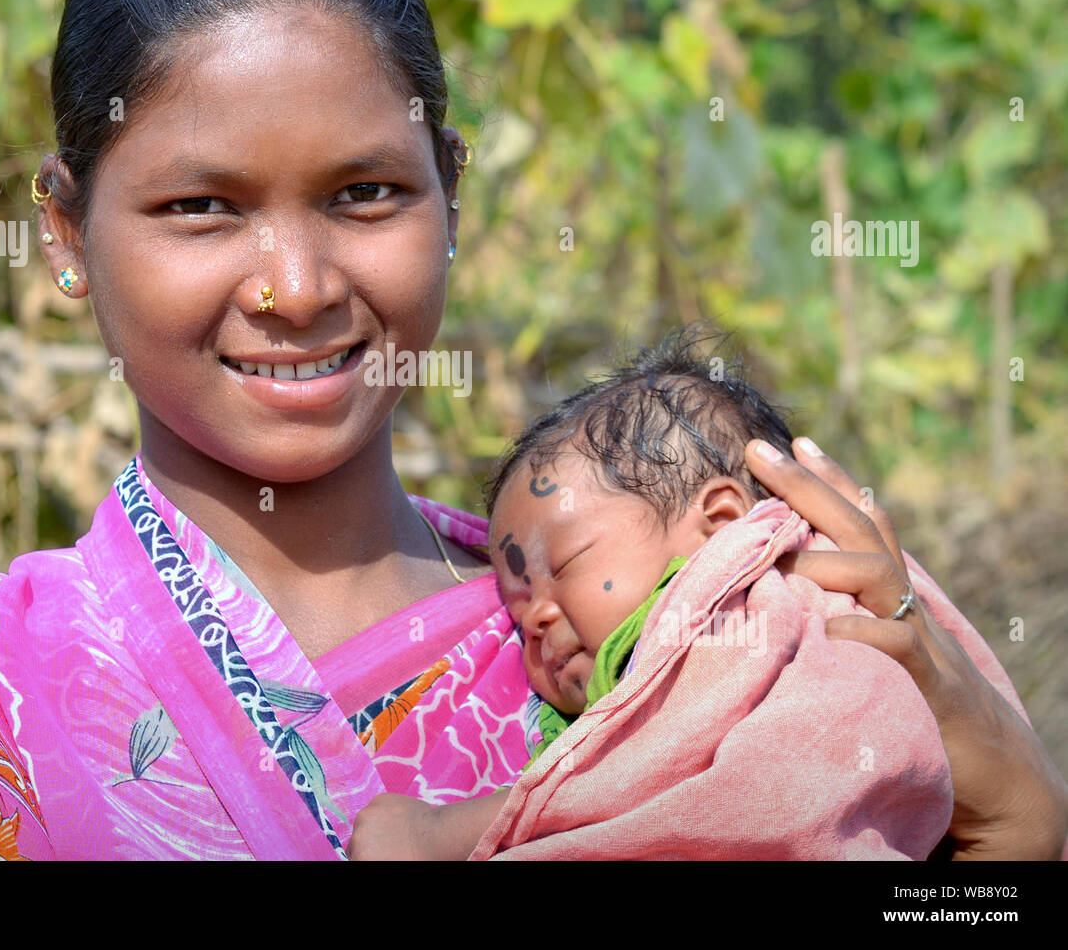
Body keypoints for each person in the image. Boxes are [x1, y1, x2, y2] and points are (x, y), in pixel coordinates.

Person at [0, 0, 1066, 862]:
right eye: (199, 207)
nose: (294, 286)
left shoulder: (647, 635)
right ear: (69, 236)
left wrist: (1008, 828)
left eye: (365, 193)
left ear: (450, 195)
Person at [348, 329, 1021, 859]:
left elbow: (651, 773)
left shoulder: (749, 611)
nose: (538, 620)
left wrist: (440, 835)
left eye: (571, 561)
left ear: (723, 524)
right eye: (518, 611)